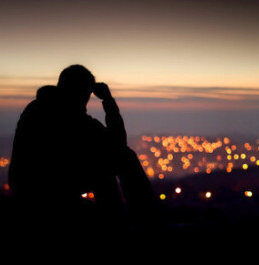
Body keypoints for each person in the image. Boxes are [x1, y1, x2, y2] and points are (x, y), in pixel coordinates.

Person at [8, 65, 157, 232]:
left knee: (108, 169)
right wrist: (108, 101)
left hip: (33, 182)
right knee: (122, 161)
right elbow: (118, 144)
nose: (86, 101)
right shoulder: (65, 113)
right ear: (79, 92)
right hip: (43, 187)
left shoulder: (43, 107)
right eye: (85, 94)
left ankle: (126, 223)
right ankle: (144, 223)